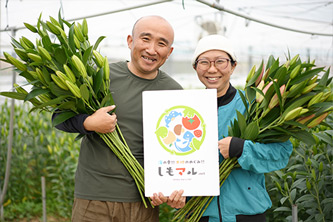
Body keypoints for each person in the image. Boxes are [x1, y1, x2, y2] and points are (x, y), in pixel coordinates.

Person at [53, 15, 183, 222]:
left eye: (162, 43)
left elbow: (180, 148)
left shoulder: (174, 91)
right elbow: (58, 117)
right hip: (94, 197)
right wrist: (89, 123)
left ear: (170, 52)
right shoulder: (99, 77)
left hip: (143, 199)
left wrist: (173, 187)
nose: (152, 49)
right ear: (130, 41)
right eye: (146, 39)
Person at [161, 35, 293, 221]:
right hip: (200, 215)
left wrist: (241, 148)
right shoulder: (185, 109)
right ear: (195, 68)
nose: (212, 69)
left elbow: (281, 153)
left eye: (220, 61)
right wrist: (176, 191)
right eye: (204, 62)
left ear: (233, 66)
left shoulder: (255, 106)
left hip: (246, 213)